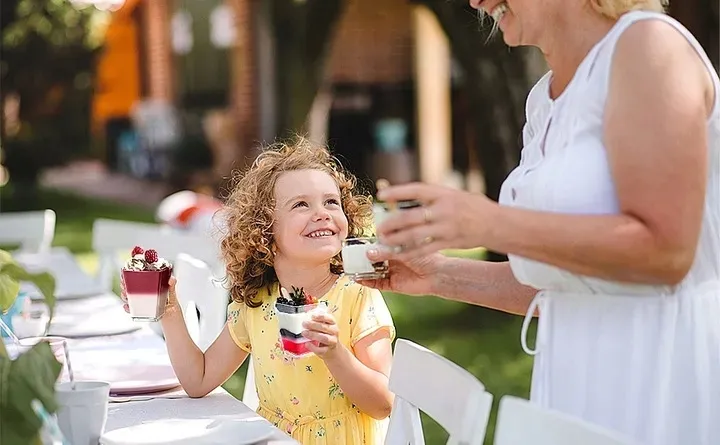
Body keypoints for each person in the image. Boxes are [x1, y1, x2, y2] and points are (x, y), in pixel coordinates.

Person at [360, 2, 720, 445]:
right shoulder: (543, 100)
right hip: (571, 378)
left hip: (658, 375)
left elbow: (667, 252)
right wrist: (439, 274)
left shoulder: (649, 47)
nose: (475, 2)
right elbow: (558, 283)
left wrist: (492, 224)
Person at [123, 138, 395, 444]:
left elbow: (383, 405)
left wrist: (335, 354)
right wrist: (170, 310)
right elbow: (198, 380)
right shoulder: (257, 303)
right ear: (264, 231)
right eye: (301, 204)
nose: (322, 213)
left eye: (331, 202)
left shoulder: (359, 295)